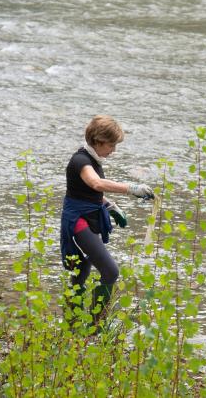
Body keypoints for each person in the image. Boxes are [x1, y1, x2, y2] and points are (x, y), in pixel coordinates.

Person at [60, 115, 154, 325]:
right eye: (111, 145)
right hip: (78, 220)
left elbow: (86, 192)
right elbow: (95, 183)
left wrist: (109, 206)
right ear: (98, 140)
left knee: (81, 271)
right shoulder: (81, 161)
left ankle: (72, 326)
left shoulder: (91, 159)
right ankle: (96, 326)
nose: (113, 150)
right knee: (110, 272)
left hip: (89, 216)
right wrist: (130, 189)